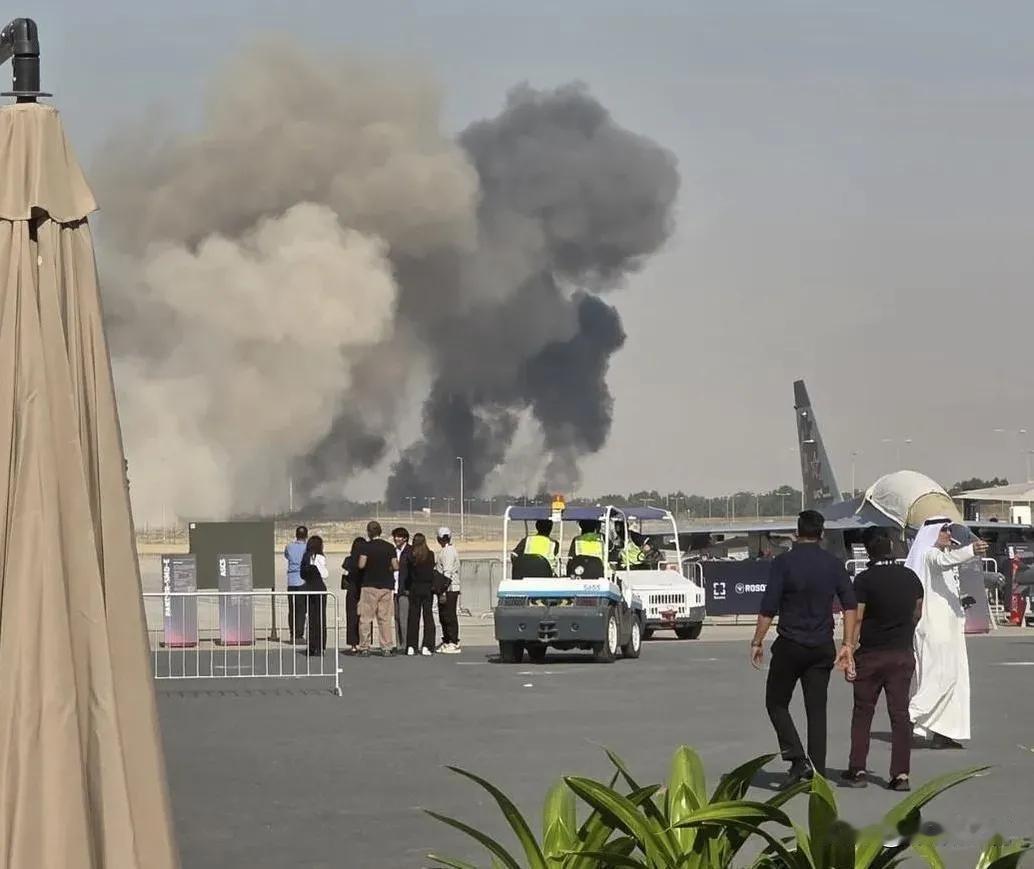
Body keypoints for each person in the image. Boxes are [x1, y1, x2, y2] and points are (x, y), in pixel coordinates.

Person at [750, 509, 857, 786]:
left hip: (790, 645)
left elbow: (768, 608)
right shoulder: (833, 564)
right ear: (821, 534)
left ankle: (798, 759)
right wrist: (847, 644)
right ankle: (818, 776)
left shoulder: (783, 563)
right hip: (821, 645)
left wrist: (757, 640)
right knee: (816, 711)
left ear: (797, 533)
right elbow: (850, 605)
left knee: (775, 703)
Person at [841, 530, 924, 791]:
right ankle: (901, 774)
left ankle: (858, 769)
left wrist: (848, 648)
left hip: (872, 653)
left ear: (868, 551)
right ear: (891, 549)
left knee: (863, 712)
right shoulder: (910, 577)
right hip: (901, 652)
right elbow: (918, 611)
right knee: (900, 714)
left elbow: (858, 617)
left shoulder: (865, 580)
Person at [906, 518, 988, 749]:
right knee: (940, 677)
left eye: (949, 529)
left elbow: (947, 580)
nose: (947, 533)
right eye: (943, 530)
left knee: (957, 679)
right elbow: (944, 561)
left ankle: (944, 731)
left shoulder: (945, 555)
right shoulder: (930, 555)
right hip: (934, 629)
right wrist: (971, 549)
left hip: (951, 628)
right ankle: (909, 715)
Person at [357, 520, 398, 657]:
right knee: (384, 618)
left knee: (366, 618)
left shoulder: (366, 547)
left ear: (369, 532)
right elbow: (396, 566)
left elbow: (361, 564)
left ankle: (364, 646)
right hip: (386, 585)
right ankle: (386, 646)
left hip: (369, 584)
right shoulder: (389, 547)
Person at [404, 532, 437, 656]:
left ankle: (411, 646)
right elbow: (431, 572)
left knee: (413, 618)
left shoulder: (411, 556)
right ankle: (427, 646)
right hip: (427, 588)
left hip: (414, 588)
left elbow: (408, 575)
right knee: (428, 617)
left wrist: (407, 587)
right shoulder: (430, 555)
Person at [299, 534, 328, 657]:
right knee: (320, 618)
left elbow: (302, 574)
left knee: (311, 618)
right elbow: (324, 574)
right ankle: (320, 646)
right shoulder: (319, 557)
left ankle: (311, 646)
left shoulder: (305, 557)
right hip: (319, 588)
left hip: (309, 588)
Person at [436, 527, 462, 654]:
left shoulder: (448, 552)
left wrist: (443, 590)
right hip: (446, 587)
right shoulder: (445, 551)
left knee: (449, 615)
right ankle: (447, 640)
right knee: (443, 616)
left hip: (449, 588)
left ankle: (453, 641)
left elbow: (447, 573)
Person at [283, 525, 308, 643]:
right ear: (306, 536)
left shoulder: (289, 546)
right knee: (301, 609)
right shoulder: (307, 547)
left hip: (291, 580)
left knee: (292, 608)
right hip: (302, 580)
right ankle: (298, 635)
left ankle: (292, 634)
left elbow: (287, 556)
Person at [341, 537, 365, 653]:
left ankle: (353, 644)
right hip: (364, 589)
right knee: (365, 617)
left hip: (351, 590)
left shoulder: (349, 560)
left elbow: (345, 573)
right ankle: (364, 642)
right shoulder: (366, 560)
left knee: (351, 617)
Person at [392, 527, 412, 650]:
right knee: (397, 617)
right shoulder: (393, 551)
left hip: (405, 589)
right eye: (395, 536)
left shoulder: (410, 551)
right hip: (394, 588)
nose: (396, 539)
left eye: (399, 536)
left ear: (405, 538)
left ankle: (406, 644)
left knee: (404, 618)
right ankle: (399, 644)